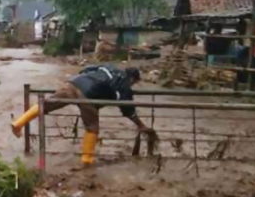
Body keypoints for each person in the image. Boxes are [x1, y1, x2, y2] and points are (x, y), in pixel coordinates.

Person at [11, 65, 155, 165]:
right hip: (88, 96)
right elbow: (127, 108)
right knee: (92, 127)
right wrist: (141, 126)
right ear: (132, 79)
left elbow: (87, 69)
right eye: (134, 83)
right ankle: (87, 160)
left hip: (73, 84)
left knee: (46, 105)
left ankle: (18, 123)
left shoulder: (108, 67)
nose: (133, 86)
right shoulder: (124, 85)